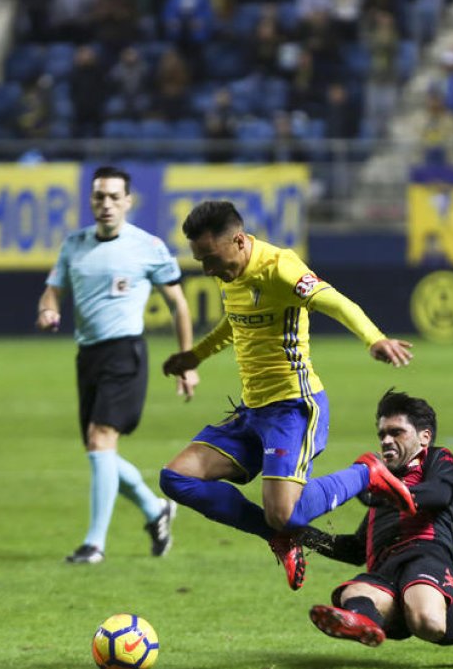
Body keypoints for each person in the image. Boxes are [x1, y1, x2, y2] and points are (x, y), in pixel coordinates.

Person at [160, 201, 417, 590]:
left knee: (282, 512)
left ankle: (367, 473)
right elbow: (236, 321)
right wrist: (195, 355)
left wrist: (373, 338)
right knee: (176, 478)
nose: (208, 270)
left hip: (293, 408)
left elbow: (336, 301)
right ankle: (277, 538)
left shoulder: (280, 267)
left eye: (211, 258)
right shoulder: (229, 272)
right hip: (251, 413)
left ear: (239, 240)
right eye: (201, 261)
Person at [36, 165, 197, 564]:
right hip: (87, 355)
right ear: (91, 201)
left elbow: (178, 304)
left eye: (113, 197)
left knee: (100, 441)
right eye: (98, 197)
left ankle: (94, 544)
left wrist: (187, 360)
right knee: (99, 450)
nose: (106, 204)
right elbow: (52, 292)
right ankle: (155, 509)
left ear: (128, 201)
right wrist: (48, 311)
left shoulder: (148, 246)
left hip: (125, 353)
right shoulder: (74, 245)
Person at [300, 389, 453, 665]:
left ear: (424, 437)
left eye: (396, 432)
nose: (386, 440)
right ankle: (363, 622)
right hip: (384, 572)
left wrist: (383, 489)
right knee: (354, 593)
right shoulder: (381, 486)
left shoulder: (437, 460)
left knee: (428, 621)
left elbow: (441, 494)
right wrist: (300, 533)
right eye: (382, 434)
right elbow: (357, 549)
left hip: (425, 559)